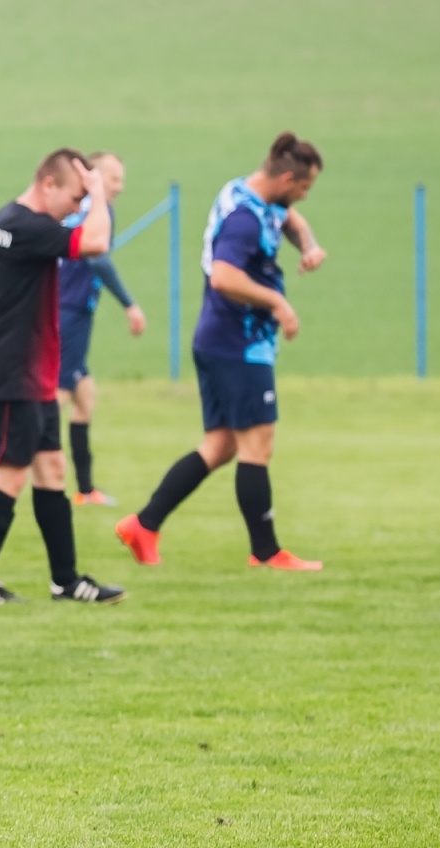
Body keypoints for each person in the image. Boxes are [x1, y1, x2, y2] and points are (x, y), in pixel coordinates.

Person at [116, 132, 327, 571]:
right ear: (286, 178)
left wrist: (308, 246)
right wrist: (278, 302)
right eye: (304, 188)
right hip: (238, 345)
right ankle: (266, 553)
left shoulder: (247, 192)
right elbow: (224, 277)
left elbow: (290, 219)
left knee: (220, 446)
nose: (302, 199)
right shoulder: (244, 221)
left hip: (220, 340)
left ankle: (144, 524)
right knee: (257, 445)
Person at [0, 149, 127, 606]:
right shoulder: (28, 225)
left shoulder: (4, 219)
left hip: (31, 370)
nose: (77, 208)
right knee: (10, 476)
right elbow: (95, 245)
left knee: (52, 469)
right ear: (48, 185)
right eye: (73, 197)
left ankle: (66, 581)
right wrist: (97, 195)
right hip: (12, 370)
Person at [58, 151, 147, 506]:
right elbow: (97, 259)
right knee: (58, 396)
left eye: (121, 179)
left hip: (70, 308)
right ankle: (2, 468)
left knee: (84, 396)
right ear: (94, 176)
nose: (119, 186)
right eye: (114, 178)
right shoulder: (98, 210)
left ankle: (85, 488)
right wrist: (130, 304)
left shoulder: (77, 210)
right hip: (70, 312)